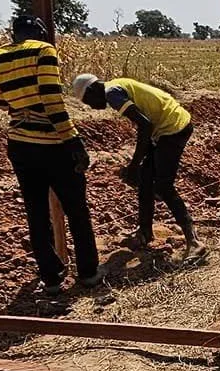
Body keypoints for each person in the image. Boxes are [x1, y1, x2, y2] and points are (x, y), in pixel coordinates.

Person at [0, 10, 99, 290]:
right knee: (76, 209)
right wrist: (73, 141)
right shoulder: (44, 51)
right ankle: (87, 273)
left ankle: (50, 278)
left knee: (36, 213)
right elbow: (52, 101)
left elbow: (2, 104)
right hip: (53, 145)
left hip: (19, 144)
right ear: (40, 33)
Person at [73, 72, 198, 252]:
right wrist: (138, 164)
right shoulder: (116, 85)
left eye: (88, 101)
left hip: (173, 128)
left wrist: (133, 166)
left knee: (164, 186)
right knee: (146, 179)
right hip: (167, 126)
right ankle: (145, 232)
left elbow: (145, 125)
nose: (91, 107)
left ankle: (192, 240)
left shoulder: (111, 93)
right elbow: (146, 124)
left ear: (92, 89)